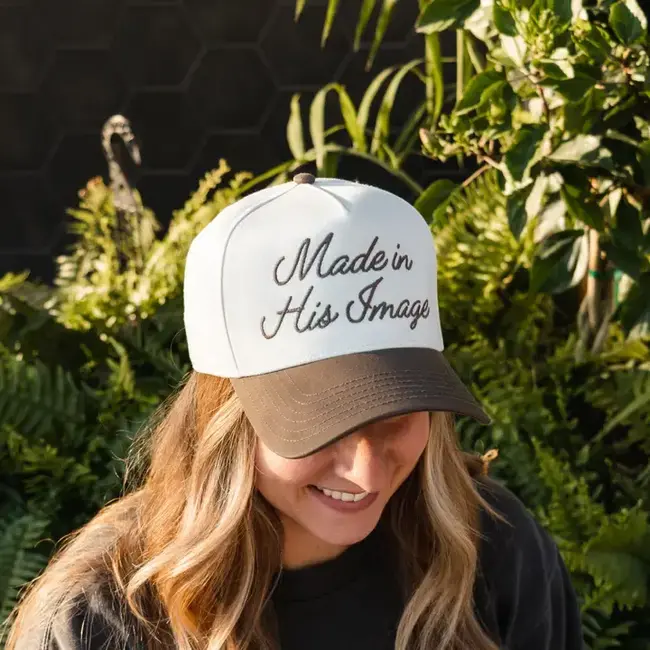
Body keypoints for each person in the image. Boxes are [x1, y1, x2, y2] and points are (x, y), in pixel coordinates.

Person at [5, 173, 584, 650]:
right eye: (322, 424)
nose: (366, 472)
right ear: (227, 419)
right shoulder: (99, 620)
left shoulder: (493, 549)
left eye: (397, 414)